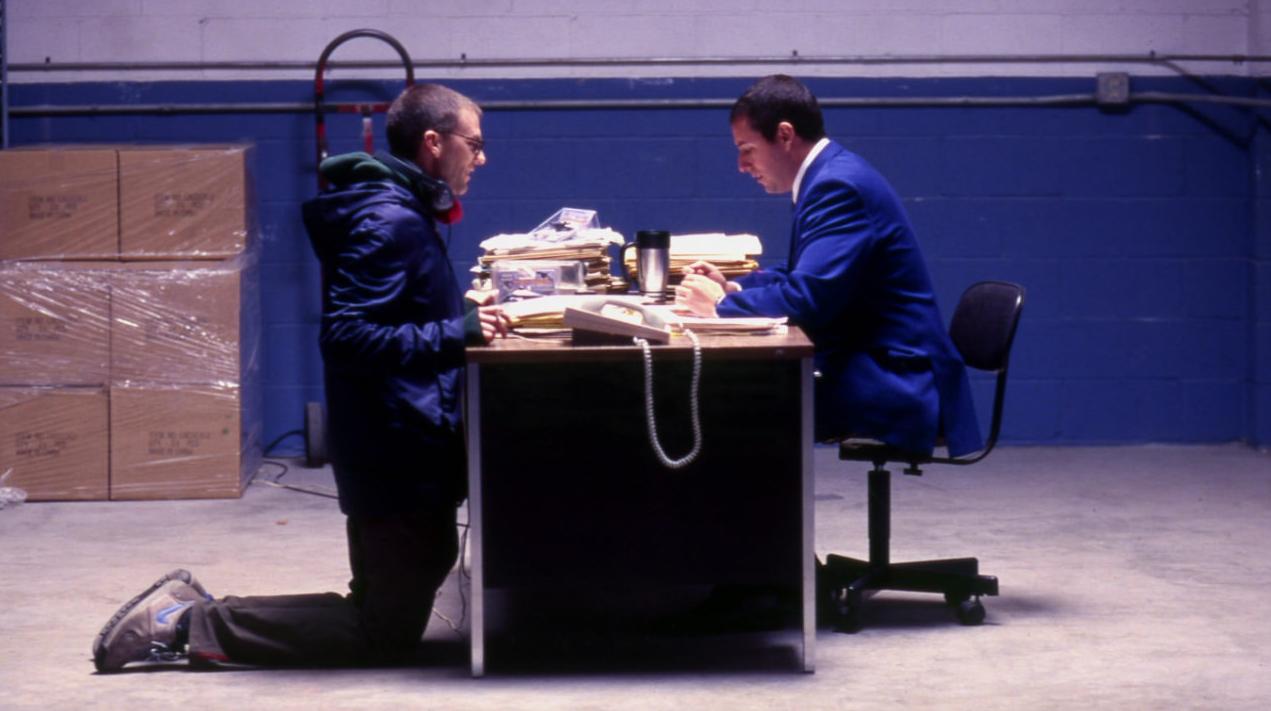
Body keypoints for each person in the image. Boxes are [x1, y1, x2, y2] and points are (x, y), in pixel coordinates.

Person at [92, 83, 509, 672]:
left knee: (400, 588)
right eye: (475, 144)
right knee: (382, 633)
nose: (481, 158)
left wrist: (454, 314)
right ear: (434, 143)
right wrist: (453, 332)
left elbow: (392, 315)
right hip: (396, 449)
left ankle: (191, 615)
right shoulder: (390, 220)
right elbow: (346, 337)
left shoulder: (401, 209)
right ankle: (184, 622)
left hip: (400, 440)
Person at [676, 74, 981, 456]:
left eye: (747, 149)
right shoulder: (829, 175)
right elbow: (803, 276)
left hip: (896, 382)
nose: (741, 165)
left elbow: (808, 298)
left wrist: (720, 306)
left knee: (727, 397)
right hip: (876, 364)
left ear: (784, 135)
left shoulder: (836, 186)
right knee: (730, 393)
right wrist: (734, 287)